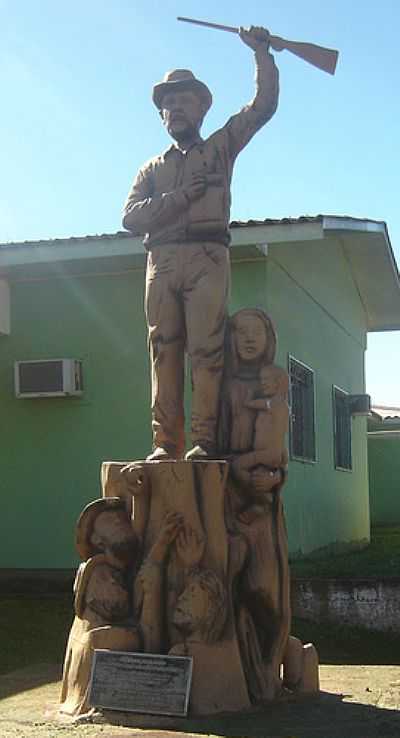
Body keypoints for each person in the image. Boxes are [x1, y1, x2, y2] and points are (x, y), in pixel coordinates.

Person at [122, 28, 279, 461]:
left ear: (202, 107)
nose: (174, 108)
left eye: (183, 99)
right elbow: (131, 217)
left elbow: (261, 107)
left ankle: (204, 441)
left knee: (207, 351)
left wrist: (262, 55)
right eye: (167, 103)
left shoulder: (220, 148)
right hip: (161, 259)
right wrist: (182, 197)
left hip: (209, 255)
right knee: (163, 350)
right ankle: (163, 442)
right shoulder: (152, 169)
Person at [59, 498, 182, 718]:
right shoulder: (98, 571)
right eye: (110, 521)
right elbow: (122, 607)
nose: (119, 521)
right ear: (96, 539)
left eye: (122, 518)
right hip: (98, 653)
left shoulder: (119, 569)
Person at [232, 363, 289, 492]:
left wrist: (248, 401)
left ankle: (255, 487)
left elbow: (261, 404)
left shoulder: (277, 403)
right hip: (268, 455)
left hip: (266, 454)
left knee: (236, 467)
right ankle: (258, 487)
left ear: (278, 382)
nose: (262, 383)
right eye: (261, 379)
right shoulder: (274, 407)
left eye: (266, 379)